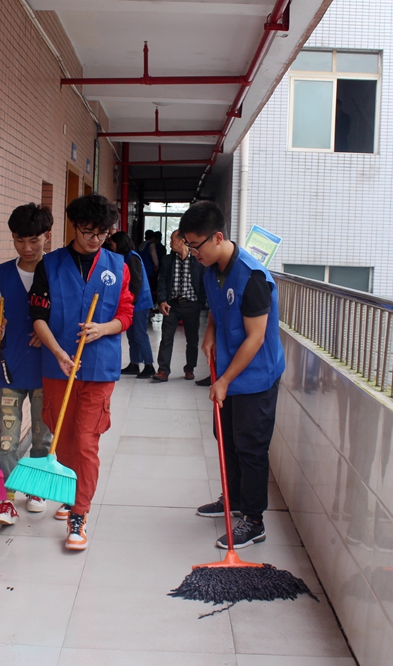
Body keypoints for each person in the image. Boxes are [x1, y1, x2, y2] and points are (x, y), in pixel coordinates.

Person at [29, 194, 135, 551]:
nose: (95, 239)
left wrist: (103, 329)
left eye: (103, 233)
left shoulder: (118, 266)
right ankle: (71, 493)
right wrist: (58, 352)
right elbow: (37, 317)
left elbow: (127, 313)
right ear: (74, 226)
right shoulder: (50, 265)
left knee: (87, 442)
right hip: (58, 366)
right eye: (88, 232)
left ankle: (79, 514)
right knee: (64, 439)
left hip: (99, 367)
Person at [178, 201, 285, 549]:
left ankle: (254, 521)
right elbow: (218, 307)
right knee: (225, 437)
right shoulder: (211, 269)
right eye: (189, 245)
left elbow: (255, 338)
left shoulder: (253, 277)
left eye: (196, 245)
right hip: (227, 367)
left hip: (256, 376)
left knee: (251, 446)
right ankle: (234, 498)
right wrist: (210, 333)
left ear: (218, 237)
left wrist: (223, 381)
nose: (193, 253)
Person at [0, 203, 55, 525]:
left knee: (42, 437)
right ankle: (8, 499)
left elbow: (67, 316)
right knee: (6, 440)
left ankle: (37, 490)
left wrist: (49, 332)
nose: (26, 248)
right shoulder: (2, 273)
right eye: (19, 240)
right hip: (9, 368)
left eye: (34, 240)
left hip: (46, 370)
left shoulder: (56, 271)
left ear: (47, 237)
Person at [152, 230, 205, 383]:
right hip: (172, 305)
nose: (170, 242)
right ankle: (163, 370)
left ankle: (189, 368)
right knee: (166, 338)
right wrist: (162, 300)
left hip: (192, 305)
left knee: (192, 340)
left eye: (172, 239)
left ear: (182, 241)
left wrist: (202, 302)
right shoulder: (168, 260)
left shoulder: (197, 259)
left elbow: (203, 281)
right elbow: (162, 281)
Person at [108, 231, 156, 379]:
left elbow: (136, 282)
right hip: (133, 302)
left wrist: (130, 301)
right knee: (131, 335)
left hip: (140, 303)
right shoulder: (125, 257)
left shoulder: (132, 257)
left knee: (140, 335)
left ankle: (149, 366)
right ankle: (134, 363)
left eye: (113, 244)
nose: (111, 246)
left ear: (119, 243)